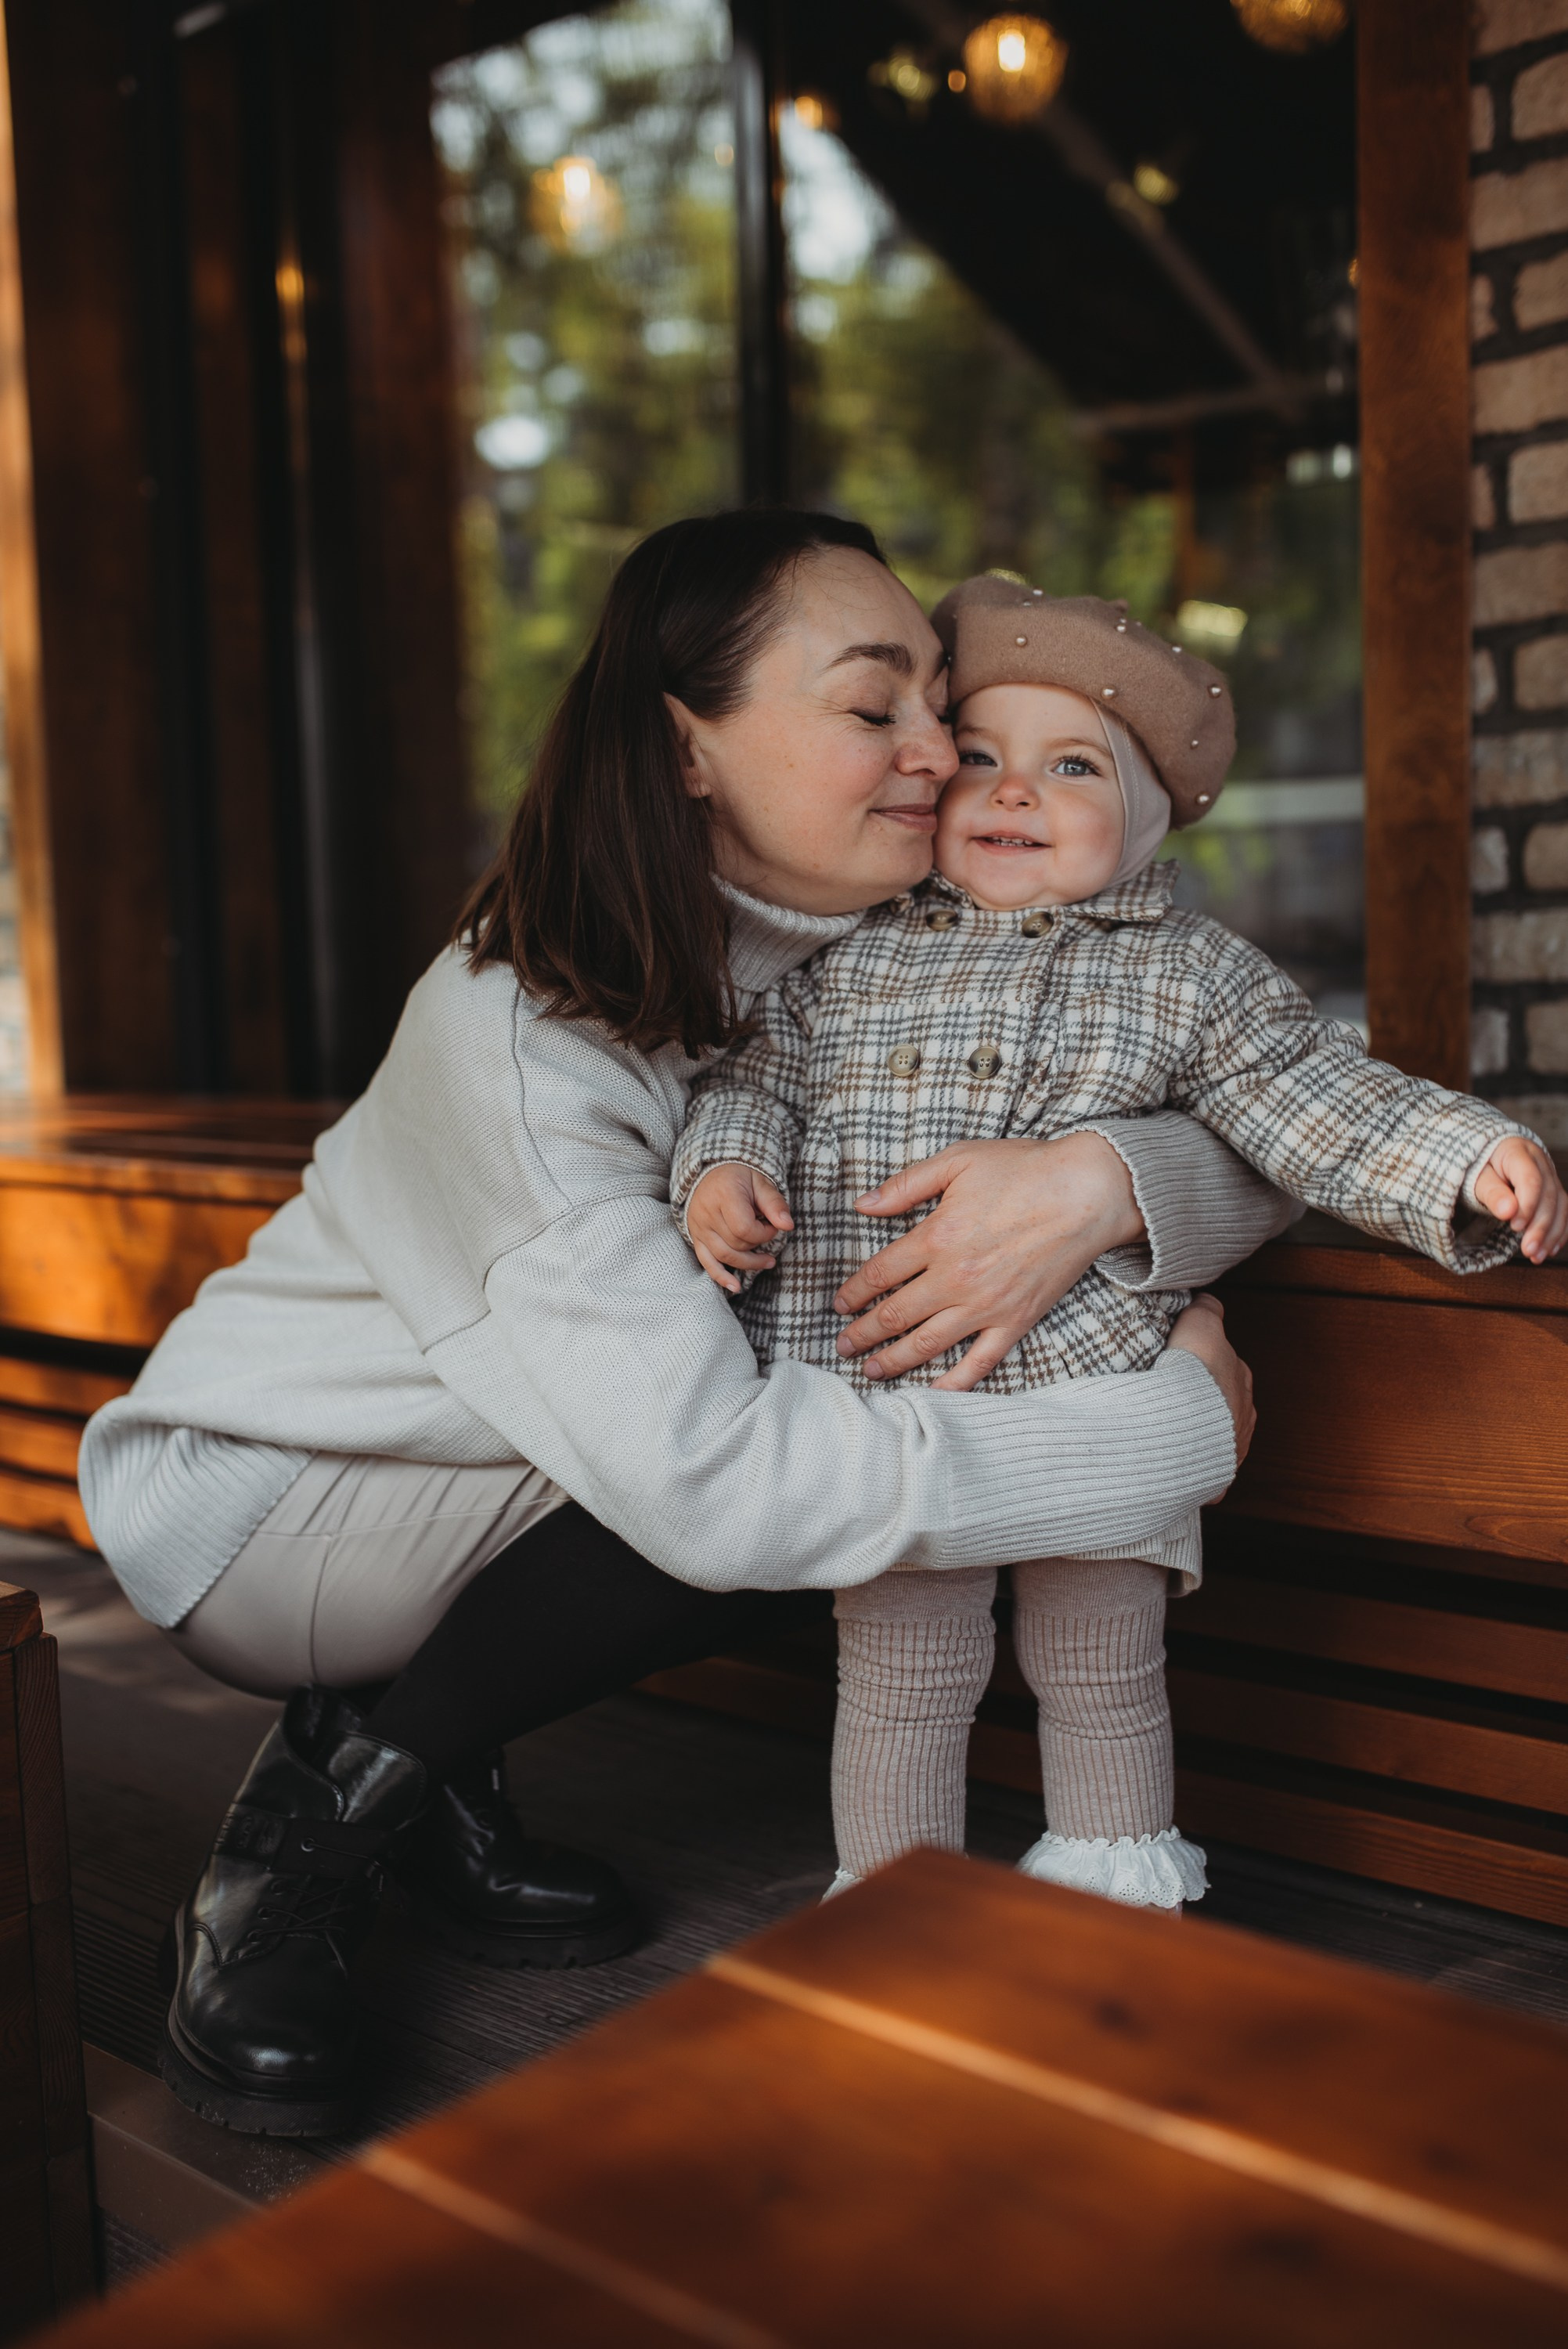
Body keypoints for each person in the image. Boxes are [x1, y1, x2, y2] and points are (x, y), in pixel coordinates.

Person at [77, 514, 1283, 2137]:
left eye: (940, 701)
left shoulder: (881, 943)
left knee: (814, 1403)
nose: (943, 752)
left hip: (510, 1456)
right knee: (784, 1430)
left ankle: (431, 1754)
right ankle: (311, 1833)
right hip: (278, 1510)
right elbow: (718, 1485)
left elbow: (1263, 1090)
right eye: (878, 710)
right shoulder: (520, 1035)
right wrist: (1172, 1436)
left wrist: (1106, 1183)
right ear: (690, 748)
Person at [677, 574, 1567, 1913]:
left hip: (1097, 1387)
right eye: (978, 757)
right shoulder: (847, 957)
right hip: (885, 1387)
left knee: (1099, 1657)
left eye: (1071, 765)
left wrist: (1462, 1154)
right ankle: (896, 1897)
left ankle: (1113, 1877)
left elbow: (1309, 1095)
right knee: (904, 1669)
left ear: (1147, 824)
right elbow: (755, 1078)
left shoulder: (1188, 971)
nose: (1012, 791)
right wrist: (724, 1166)